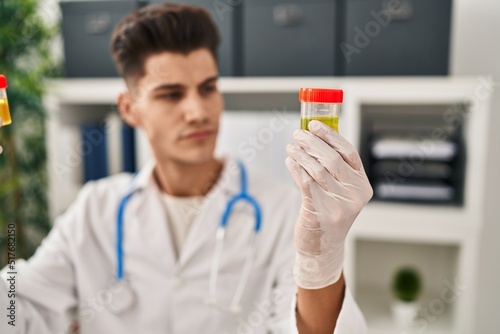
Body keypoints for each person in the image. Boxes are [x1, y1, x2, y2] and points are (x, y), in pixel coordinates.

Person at [0, 3, 373, 334]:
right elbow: (18, 310)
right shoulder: (94, 210)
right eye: (171, 94)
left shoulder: (280, 210)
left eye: (208, 88)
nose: (198, 112)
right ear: (129, 109)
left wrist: (321, 257)